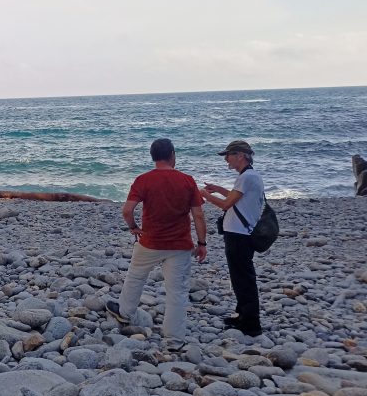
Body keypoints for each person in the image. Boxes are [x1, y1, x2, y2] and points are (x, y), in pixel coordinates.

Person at [105, 138, 207, 350]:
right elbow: (198, 215)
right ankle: (174, 340)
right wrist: (202, 243)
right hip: (180, 244)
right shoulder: (187, 180)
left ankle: (125, 312)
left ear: (153, 157)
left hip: (150, 241)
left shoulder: (144, 180)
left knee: (136, 276)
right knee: (176, 290)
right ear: (172, 155)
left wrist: (133, 227)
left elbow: (127, 210)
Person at [201, 140, 264, 337]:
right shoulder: (249, 176)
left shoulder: (247, 177)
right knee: (240, 276)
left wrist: (204, 195)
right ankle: (243, 315)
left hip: (239, 234)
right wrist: (217, 189)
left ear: (241, 155)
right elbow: (236, 197)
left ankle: (251, 323)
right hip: (240, 233)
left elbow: (227, 204)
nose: (226, 159)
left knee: (243, 277)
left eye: (228, 155)